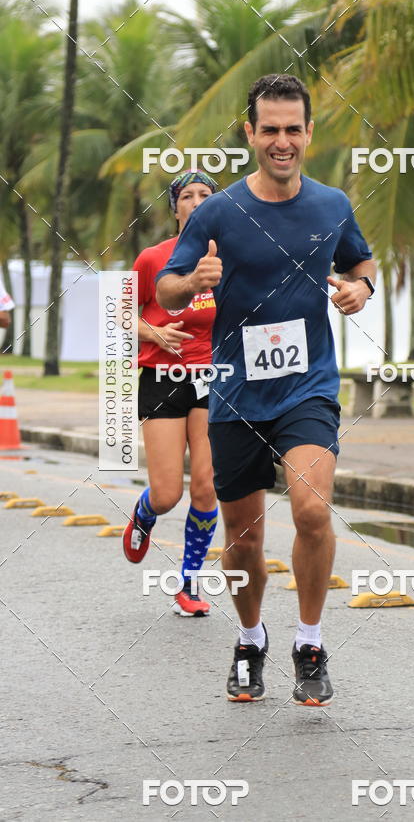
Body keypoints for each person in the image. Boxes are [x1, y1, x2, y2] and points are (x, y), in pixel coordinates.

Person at [156, 74, 376, 705]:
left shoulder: (332, 204)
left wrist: (362, 289)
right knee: (245, 540)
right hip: (234, 393)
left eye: (293, 129)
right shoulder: (219, 211)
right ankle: (251, 639)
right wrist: (194, 277)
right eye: (270, 130)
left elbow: (359, 263)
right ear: (250, 133)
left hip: (307, 387)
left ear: (309, 132)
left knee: (311, 510)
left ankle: (309, 640)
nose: (283, 141)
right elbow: (168, 289)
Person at [122, 170, 220, 618]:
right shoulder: (154, 258)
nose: (197, 202)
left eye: (205, 195)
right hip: (162, 379)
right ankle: (144, 513)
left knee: (206, 488)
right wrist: (154, 333)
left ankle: (188, 583)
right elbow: (120, 314)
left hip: (215, 380)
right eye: (187, 196)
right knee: (167, 494)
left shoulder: (229, 260)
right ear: (175, 207)